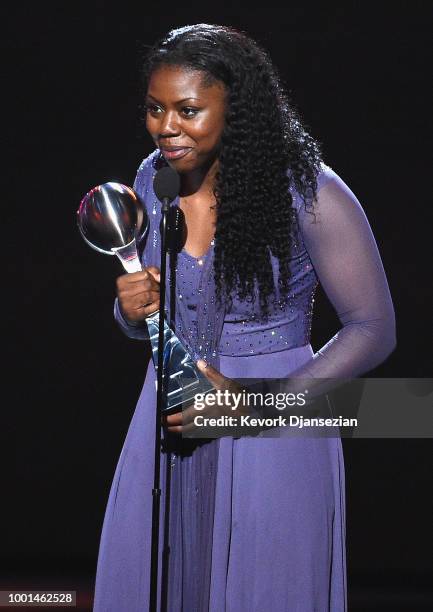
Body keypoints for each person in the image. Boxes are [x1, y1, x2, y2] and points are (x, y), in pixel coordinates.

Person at [92, 24, 396, 612]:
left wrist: (255, 404)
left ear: (238, 109)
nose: (166, 127)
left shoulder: (309, 192)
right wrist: (130, 310)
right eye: (155, 108)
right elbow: (152, 318)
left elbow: (374, 328)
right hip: (170, 417)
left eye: (188, 109)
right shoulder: (152, 183)